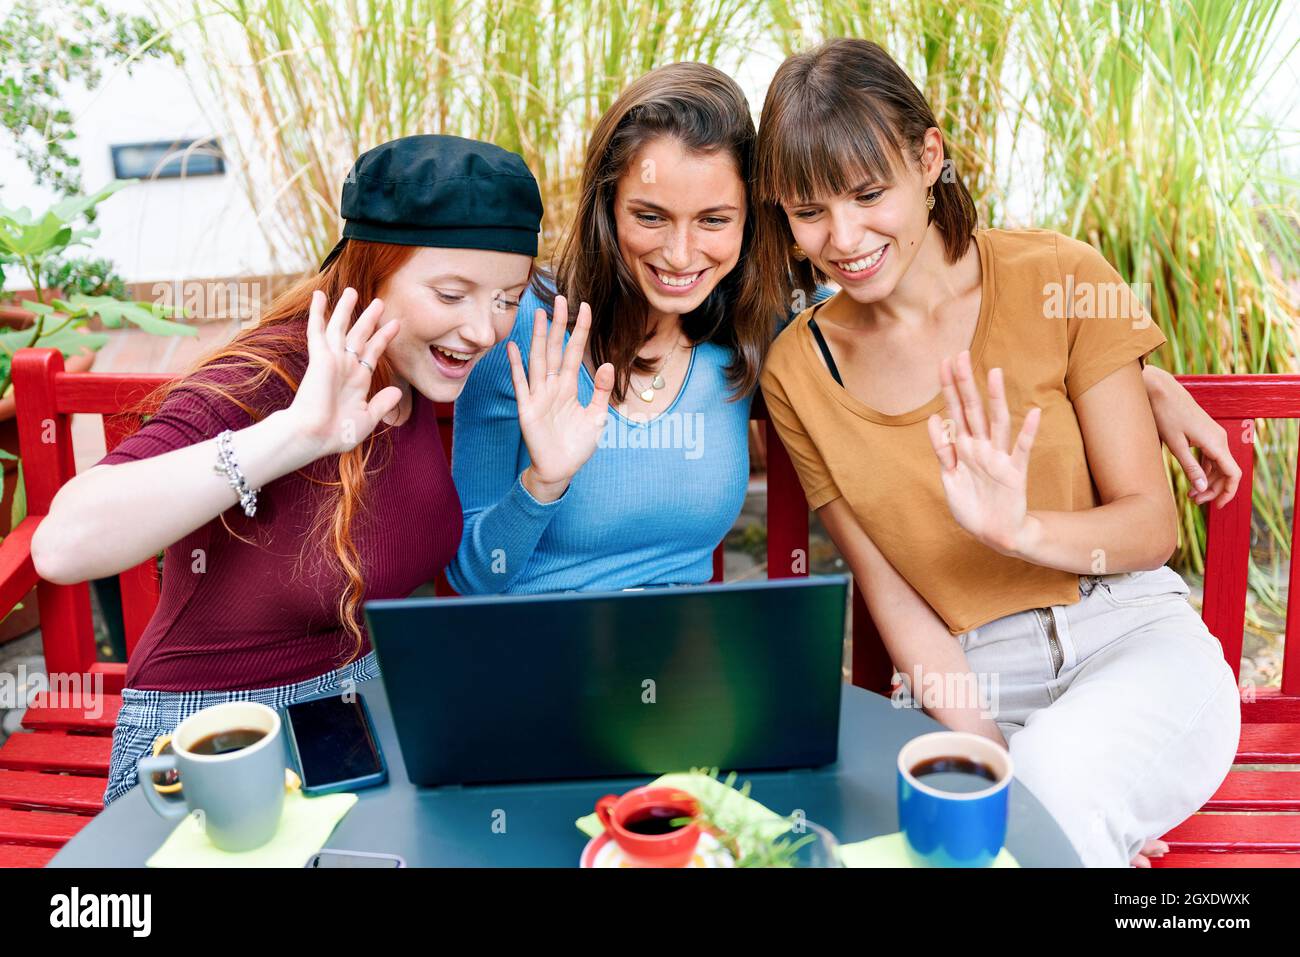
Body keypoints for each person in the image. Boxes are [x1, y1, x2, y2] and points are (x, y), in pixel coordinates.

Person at [447, 61, 1237, 597]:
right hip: (534, 663)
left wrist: (1135, 380)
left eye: (714, 219)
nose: (680, 253)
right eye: (649, 216)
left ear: (755, 219)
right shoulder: (522, 347)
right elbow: (475, 578)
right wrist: (543, 483)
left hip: (679, 677)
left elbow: (908, 316)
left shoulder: (750, 338)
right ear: (607, 208)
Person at [753, 38, 1240, 867]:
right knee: (1006, 821)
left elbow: (1152, 526)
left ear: (927, 156)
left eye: (869, 194)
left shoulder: (1058, 274)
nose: (843, 237)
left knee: (1050, 790)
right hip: (974, 681)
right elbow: (893, 595)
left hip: (1132, 637)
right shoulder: (800, 367)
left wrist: (1022, 529)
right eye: (809, 211)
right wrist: (987, 759)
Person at [30, 134, 585, 805]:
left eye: (506, 298)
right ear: (369, 269)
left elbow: (473, 570)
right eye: (451, 293)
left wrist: (543, 483)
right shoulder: (270, 375)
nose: (483, 329)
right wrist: (292, 436)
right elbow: (63, 545)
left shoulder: (419, 368)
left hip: (354, 719)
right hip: (217, 736)